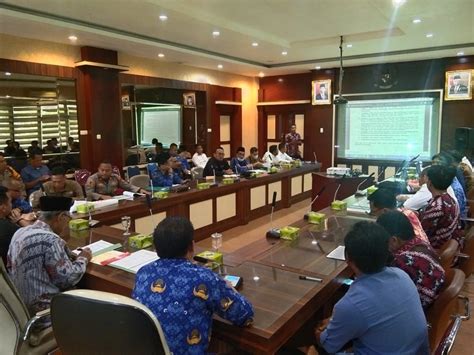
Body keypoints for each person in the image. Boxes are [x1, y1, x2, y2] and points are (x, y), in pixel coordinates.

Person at [133, 216, 254, 354]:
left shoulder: (143, 273)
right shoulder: (204, 277)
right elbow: (245, 316)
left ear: (156, 246)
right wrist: (231, 289)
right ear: (191, 246)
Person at [315, 221, 429, 354]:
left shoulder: (351, 304)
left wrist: (318, 331)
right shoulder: (402, 276)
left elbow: (328, 346)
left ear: (348, 258)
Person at [7, 196, 92, 328]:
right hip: (46, 314)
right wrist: (84, 258)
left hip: (21, 312)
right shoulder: (50, 239)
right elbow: (68, 279)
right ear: (61, 217)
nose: (67, 224)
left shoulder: (19, 233)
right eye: (68, 219)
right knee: (98, 304)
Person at [377, 210, 445, 309]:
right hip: (429, 301)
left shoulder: (404, 262)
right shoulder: (421, 243)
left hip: (416, 310)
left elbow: (385, 296)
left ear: (394, 240)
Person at [420, 165, 462, 249]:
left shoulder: (436, 208)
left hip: (434, 250)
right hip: (446, 245)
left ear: (429, 182)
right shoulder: (450, 200)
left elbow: (422, 234)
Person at [86, 161, 150, 200]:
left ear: (111, 170)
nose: (104, 172)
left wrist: (139, 190)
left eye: (107, 170)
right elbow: (89, 193)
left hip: (113, 201)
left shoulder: (115, 177)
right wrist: (101, 196)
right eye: (102, 170)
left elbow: (128, 186)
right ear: (98, 169)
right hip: (97, 203)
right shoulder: (92, 179)